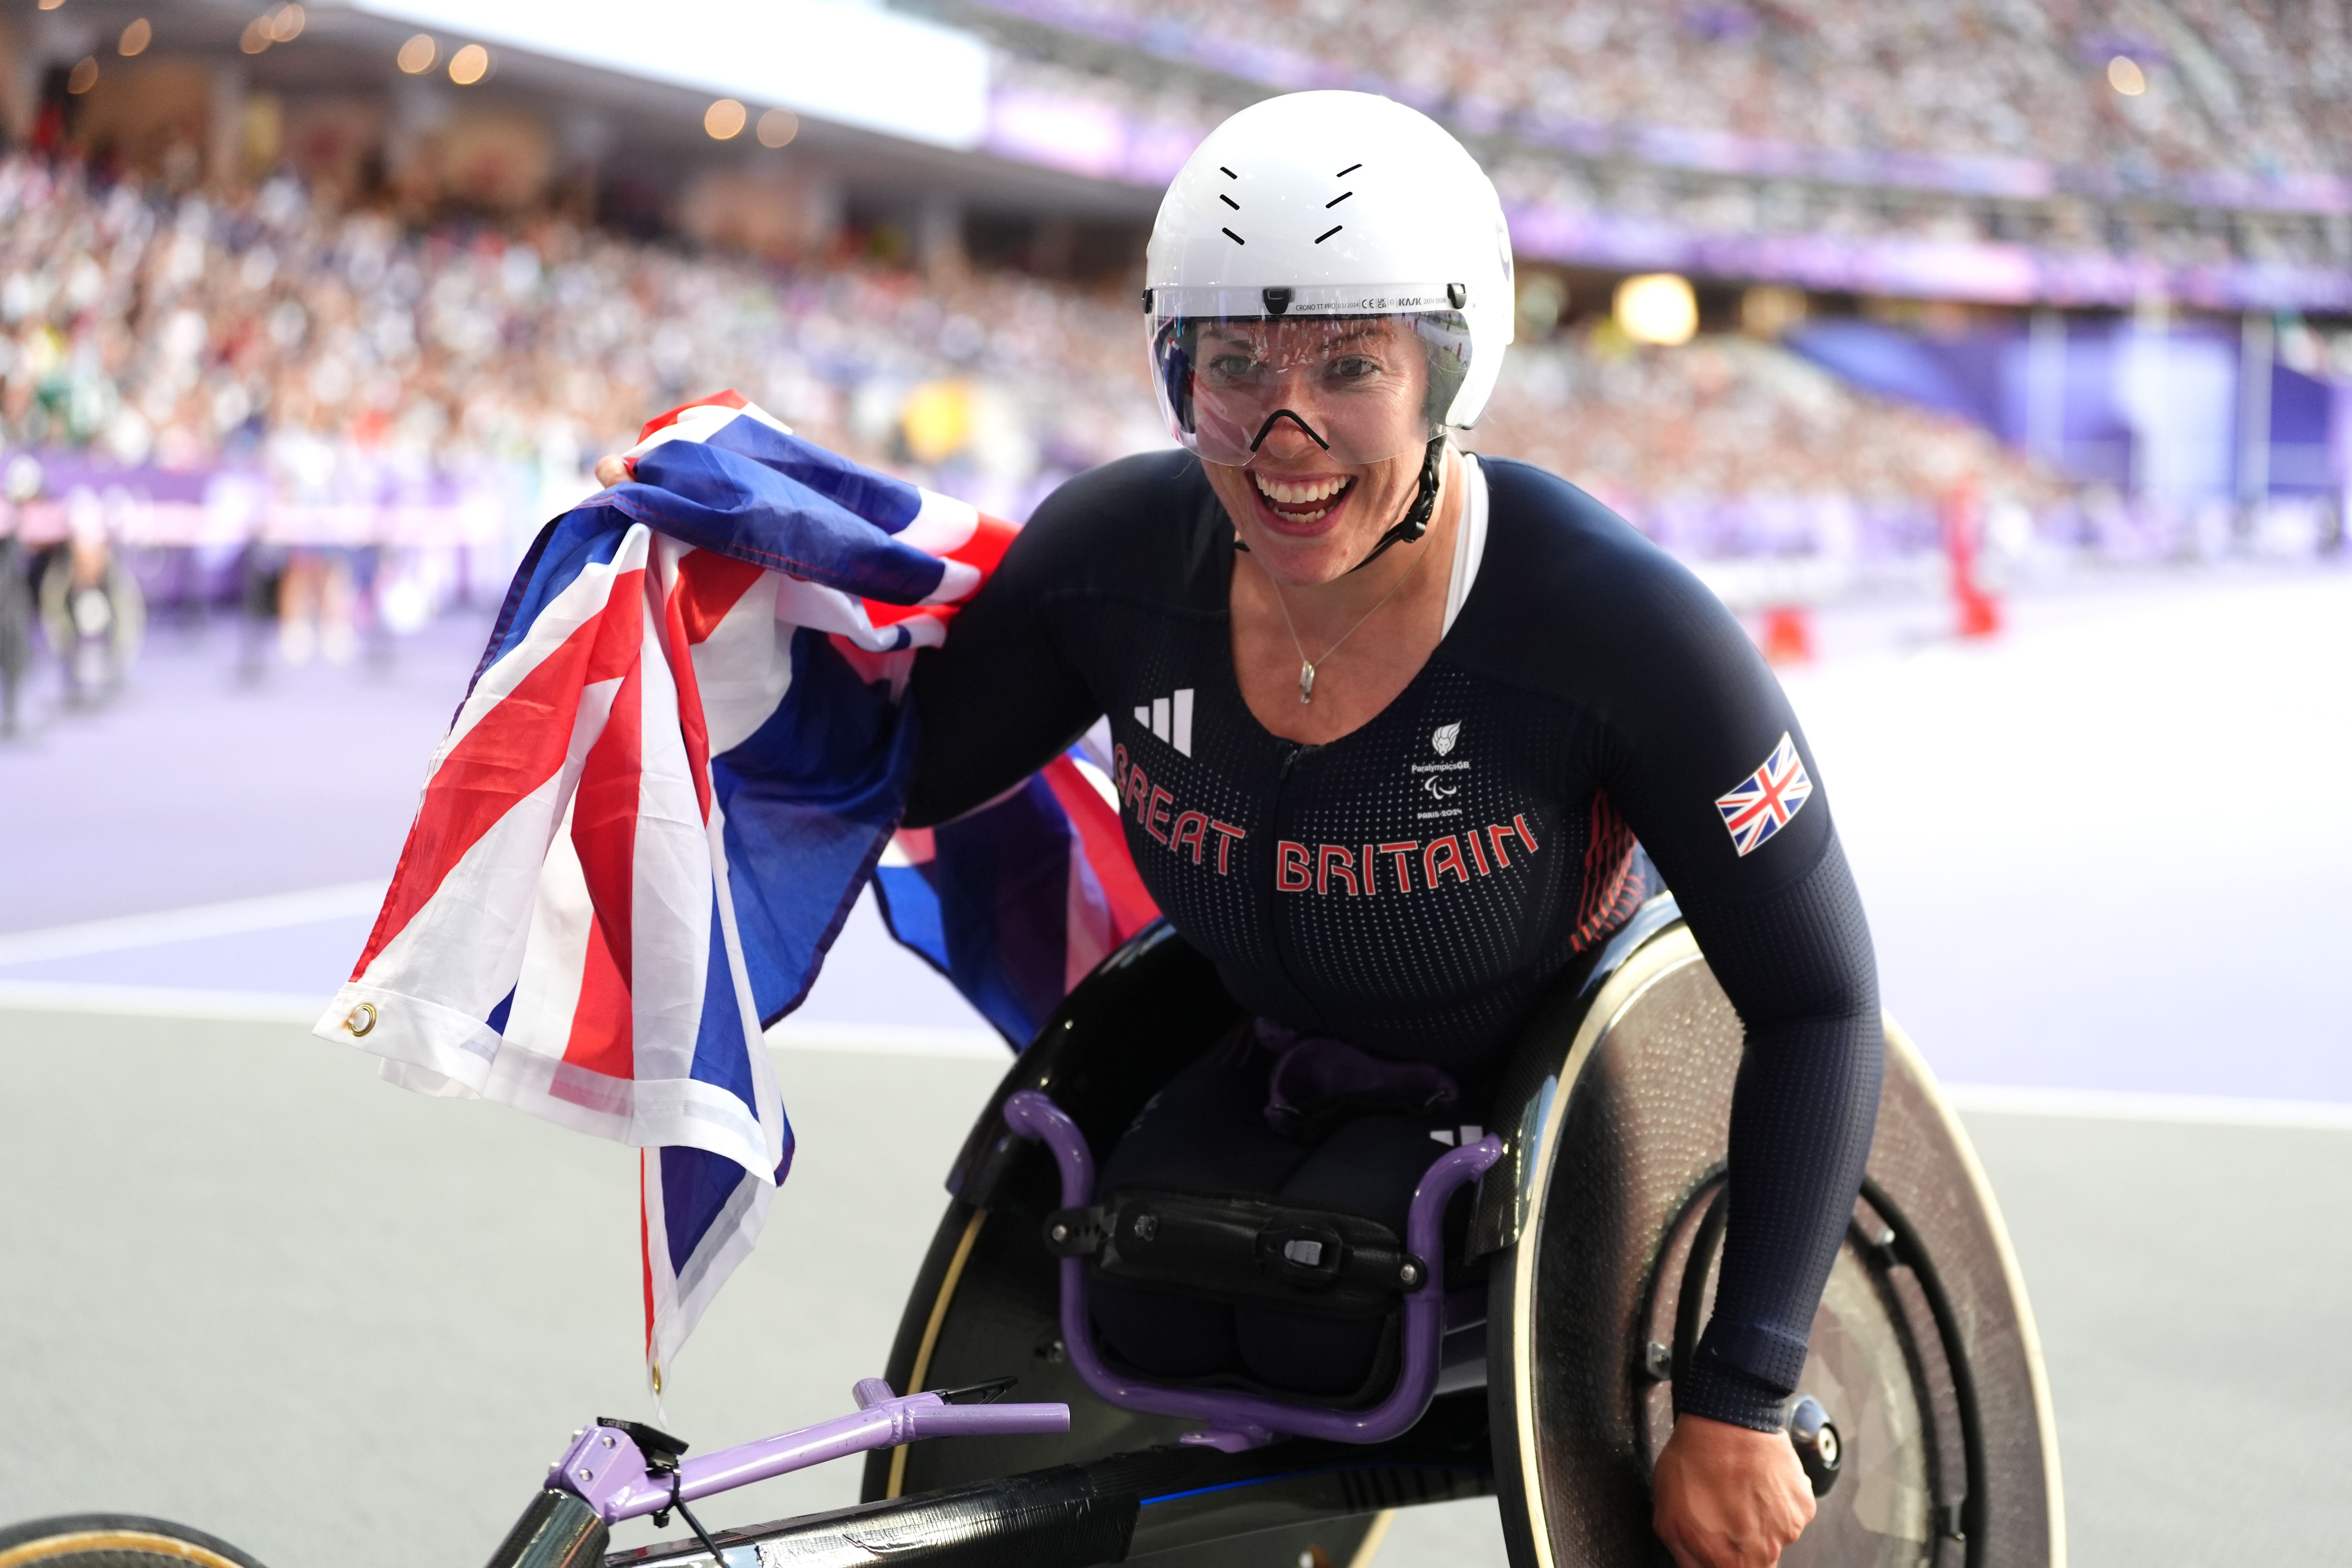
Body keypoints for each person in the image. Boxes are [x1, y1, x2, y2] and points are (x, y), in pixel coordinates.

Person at [603, 90, 1879, 1568]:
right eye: (1232, 367)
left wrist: (1742, 1392)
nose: (1285, 435)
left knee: (1317, 1304)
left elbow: (1820, 1000)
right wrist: (689, 593)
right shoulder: (1117, 564)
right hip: (1271, 1059)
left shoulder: (1622, 627)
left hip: (1542, 1102)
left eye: (1352, 366)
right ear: (1174, 372)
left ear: (1451, 378)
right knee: (1143, 1293)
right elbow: (897, 765)